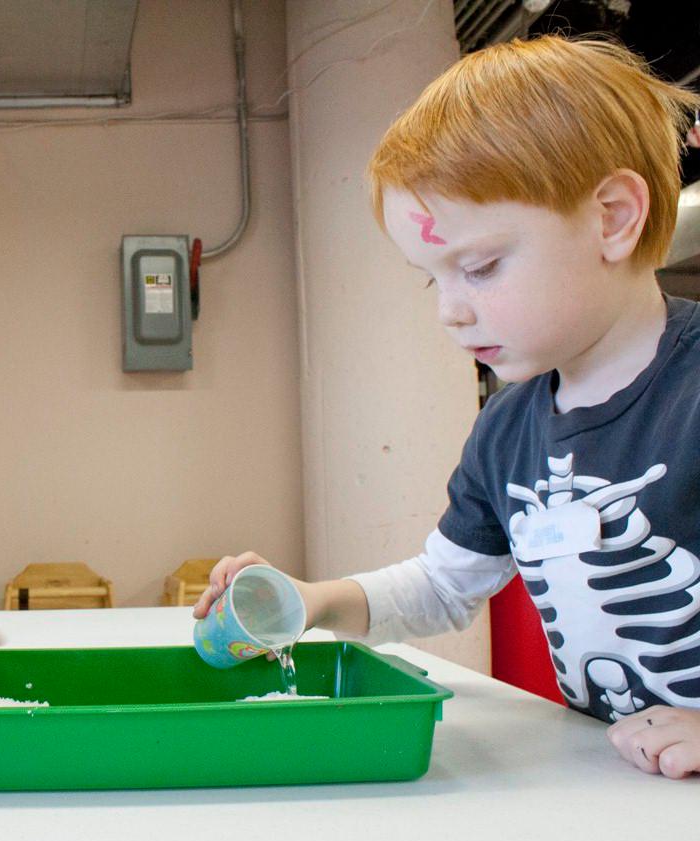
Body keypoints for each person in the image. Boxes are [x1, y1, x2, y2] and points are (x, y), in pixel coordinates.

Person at [195, 35, 700, 780]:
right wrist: (307, 600)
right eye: (434, 281)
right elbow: (442, 584)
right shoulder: (506, 429)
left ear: (613, 217)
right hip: (620, 788)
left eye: (482, 266)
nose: (452, 314)